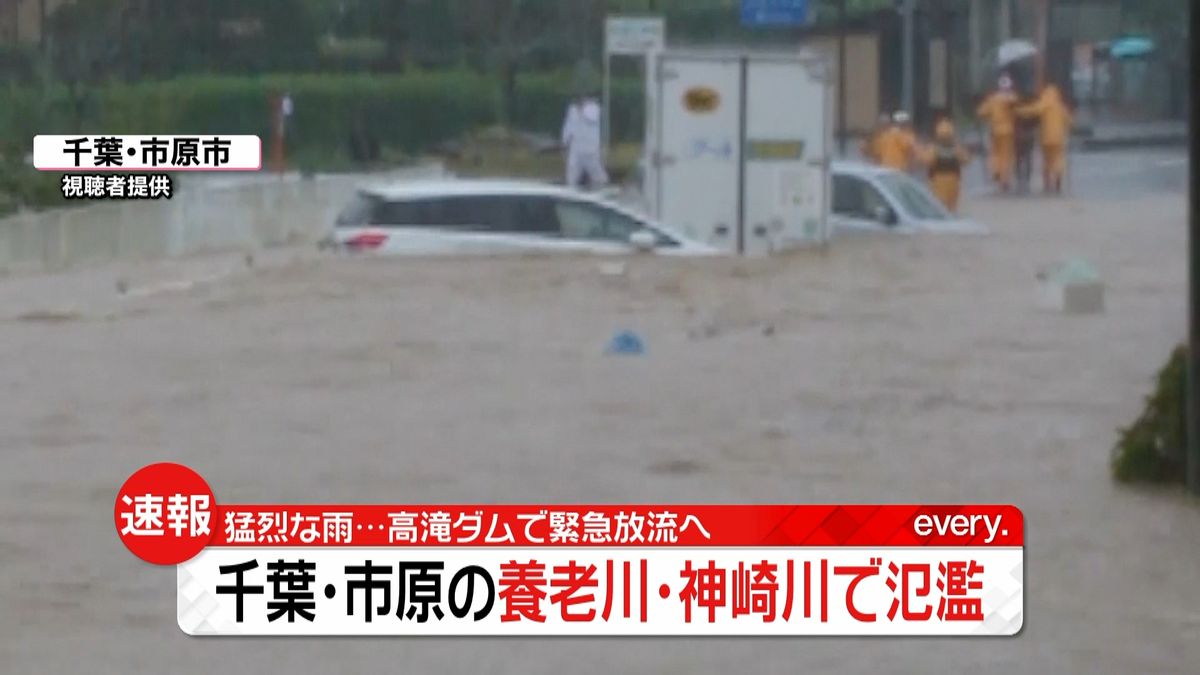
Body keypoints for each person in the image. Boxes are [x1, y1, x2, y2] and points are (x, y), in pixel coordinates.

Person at [1016, 82, 1074, 195]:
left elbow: (1033, 110)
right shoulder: (1060, 106)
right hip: (1059, 138)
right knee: (1058, 157)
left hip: (1046, 137)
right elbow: (1070, 121)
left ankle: (1047, 181)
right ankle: (1058, 175)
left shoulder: (1044, 103)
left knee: (1046, 160)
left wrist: (1018, 110)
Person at [917, 118, 972, 213]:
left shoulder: (935, 148)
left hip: (942, 180)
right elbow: (966, 160)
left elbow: (925, 161)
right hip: (947, 180)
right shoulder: (954, 149)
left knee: (942, 206)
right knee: (947, 206)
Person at [975, 75, 1017, 193]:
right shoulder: (1012, 98)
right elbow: (1017, 109)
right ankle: (1004, 179)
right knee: (1006, 156)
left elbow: (981, 112)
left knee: (995, 153)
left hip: (994, 130)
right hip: (1008, 131)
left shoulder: (992, 99)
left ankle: (996, 171)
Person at [561, 93, 607, 190]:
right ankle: (571, 189)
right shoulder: (572, 110)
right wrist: (565, 141)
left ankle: (601, 187)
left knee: (596, 173)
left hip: (590, 149)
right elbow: (569, 126)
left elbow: (591, 118)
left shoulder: (594, 108)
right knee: (572, 172)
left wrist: (582, 109)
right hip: (576, 148)